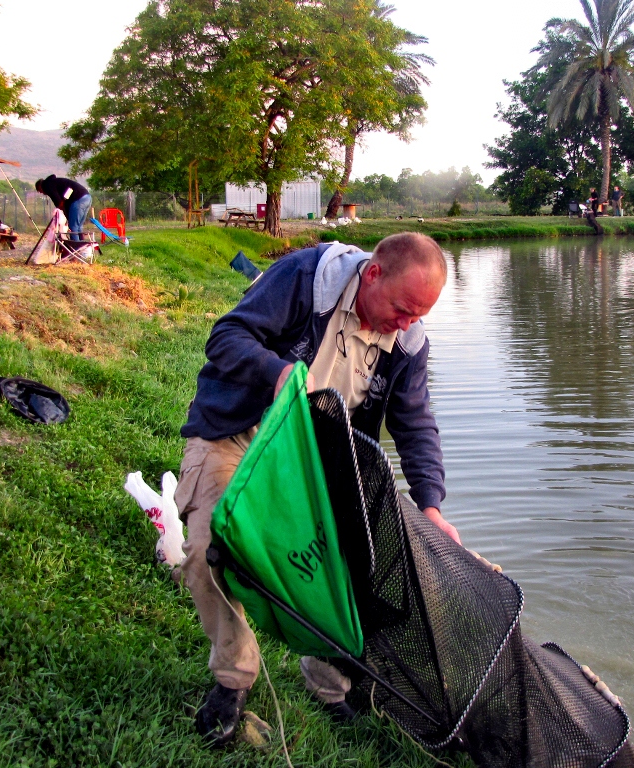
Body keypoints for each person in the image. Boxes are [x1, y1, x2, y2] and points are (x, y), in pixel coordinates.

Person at [176, 232, 458, 747]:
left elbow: (415, 425)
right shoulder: (306, 278)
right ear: (372, 273)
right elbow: (226, 338)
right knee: (206, 549)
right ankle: (232, 681)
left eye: (420, 315)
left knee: (356, 563)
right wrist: (278, 372)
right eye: (401, 308)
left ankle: (329, 684)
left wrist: (432, 506)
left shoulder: (408, 342)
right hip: (238, 434)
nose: (406, 324)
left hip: (315, 458)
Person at [35, 175, 91, 239]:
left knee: (73, 227)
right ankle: (82, 246)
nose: (42, 193)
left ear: (40, 186)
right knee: (78, 226)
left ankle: (75, 247)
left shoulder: (47, 186)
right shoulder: (55, 183)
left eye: (40, 191)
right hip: (87, 197)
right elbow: (64, 201)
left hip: (78, 199)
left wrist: (60, 212)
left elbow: (59, 202)